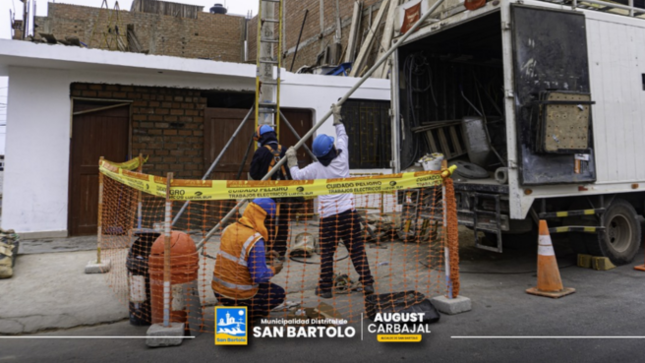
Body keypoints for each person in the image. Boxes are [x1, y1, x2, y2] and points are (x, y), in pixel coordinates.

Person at [285, 104, 375, 299]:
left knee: (327, 254)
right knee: (357, 249)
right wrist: (337, 118)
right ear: (332, 149)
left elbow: (296, 176)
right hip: (348, 215)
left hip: (328, 219)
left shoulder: (315, 168)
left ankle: (325, 288)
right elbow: (343, 136)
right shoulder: (342, 159)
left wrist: (291, 160)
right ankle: (367, 282)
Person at [212, 198, 285, 320]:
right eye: (269, 219)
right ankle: (246, 317)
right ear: (263, 217)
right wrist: (274, 270)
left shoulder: (230, 228)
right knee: (278, 293)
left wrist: (263, 255)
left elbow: (238, 253)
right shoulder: (254, 240)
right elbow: (259, 276)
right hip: (238, 296)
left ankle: (234, 310)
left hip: (219, 291)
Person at [249, 125, 293, 259]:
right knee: (282, 223)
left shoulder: (261, 152)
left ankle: (265, 252)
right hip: (284, 195)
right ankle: (279, 252)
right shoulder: (284, 150)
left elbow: (254, 173)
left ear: (261, 137)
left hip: (265, 197)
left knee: (264, 223)